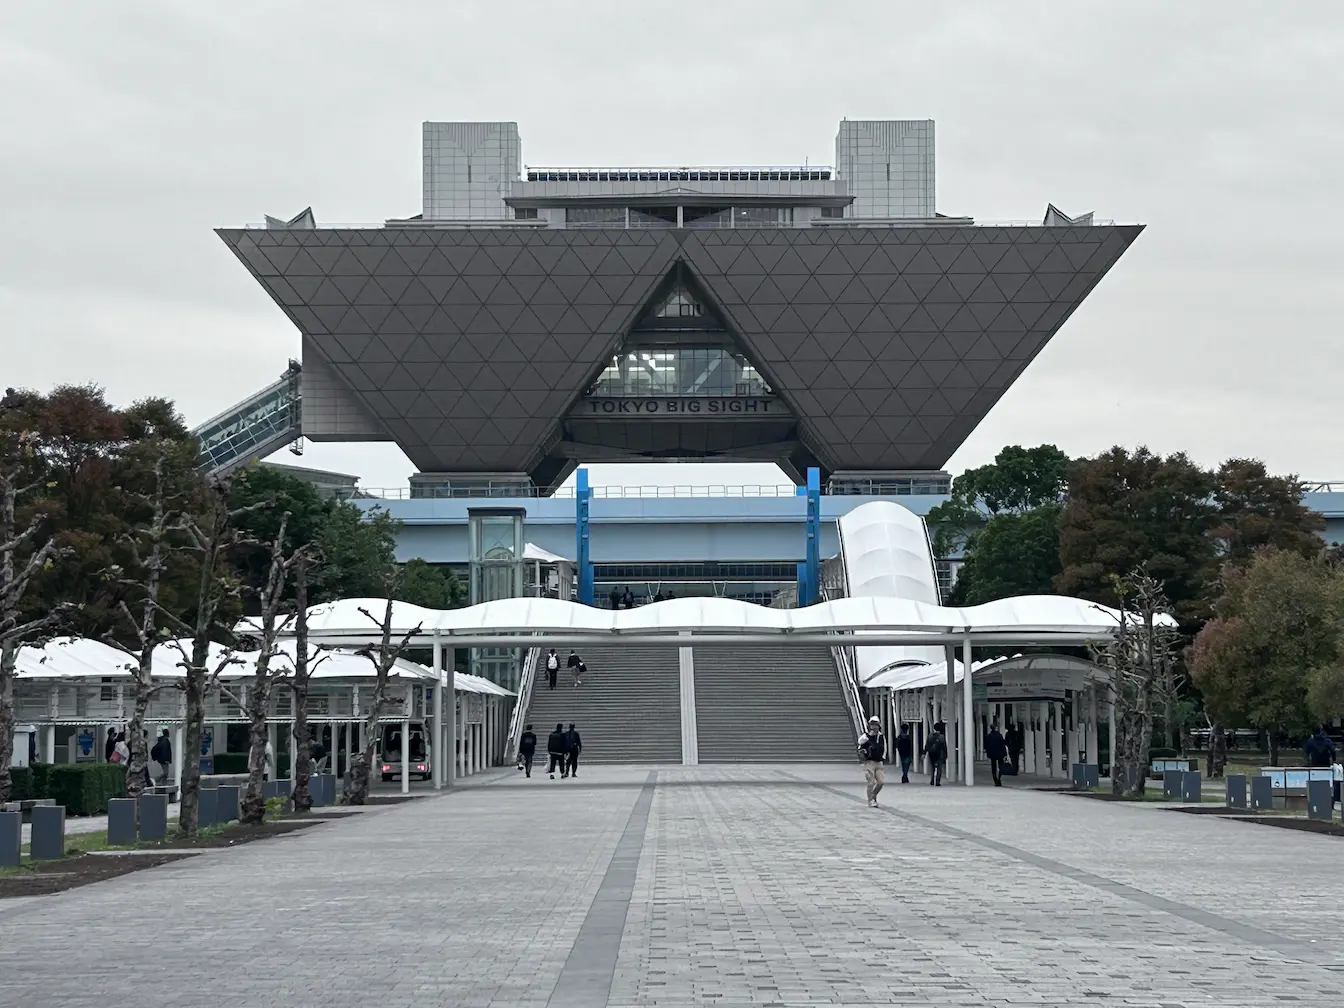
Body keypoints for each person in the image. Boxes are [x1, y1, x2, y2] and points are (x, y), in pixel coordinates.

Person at [857, 716, 886, 807]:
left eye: (876, 725)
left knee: (880, 782)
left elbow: (884, 747)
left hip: (879, 762)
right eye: (872, 725)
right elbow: (860, 743)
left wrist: (883, 757)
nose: (874, 727)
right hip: (869, 762)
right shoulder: (866, 736)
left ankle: (873, 796)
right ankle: (871, 800)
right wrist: (868, 735)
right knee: (871, 782)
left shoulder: (881, 736)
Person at [923, 721, 948, 786]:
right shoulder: (942, 737)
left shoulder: (930, 736)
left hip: (931, 753)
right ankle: (937, 781)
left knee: (932, 768)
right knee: (939, 768)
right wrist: (946, 755)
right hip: (939, 754)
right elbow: (944, 746)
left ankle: (932, 780)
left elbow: (927, 745)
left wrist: (924, 753)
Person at [985, 721, 1008, 787]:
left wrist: (988, 753)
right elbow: (1003, 744)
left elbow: (987, 746)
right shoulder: (999, 736)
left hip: (992, 754)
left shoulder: (988, 736)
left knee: (993, 767)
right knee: (1000, 766)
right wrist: (1005, 754)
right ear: (996, 728)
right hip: (999, 753)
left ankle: (995, 779)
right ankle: (999, 778)